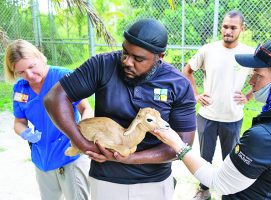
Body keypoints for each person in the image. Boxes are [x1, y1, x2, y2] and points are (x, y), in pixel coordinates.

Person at [43, 18, 197, 200]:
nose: (127, 62)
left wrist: (128, 158)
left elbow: (182, 144)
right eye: (125, 52)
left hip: (154, 181)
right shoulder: (102, 65)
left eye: (138, 59)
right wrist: (83, 144)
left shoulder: (177, 84)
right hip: (106, 179)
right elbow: (55, 98)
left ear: (160, 57)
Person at [152, 36, 271, 199]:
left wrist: (176, 143)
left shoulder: (266, 137)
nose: (251, 81)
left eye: (258, 74)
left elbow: (219, 181)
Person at [3, 39, 93, 200]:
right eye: (21, 72)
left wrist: (80, 133)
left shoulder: (63, 77)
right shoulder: (20, 89)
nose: (29, 75)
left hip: (70, 154)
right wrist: (25, 133)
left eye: (31, 67)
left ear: (40, 57)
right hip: (42, 158)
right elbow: (19, 122)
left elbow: (86, 109)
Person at [183, 10, 254, 199]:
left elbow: (262, 77)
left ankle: (228, 193)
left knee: (230, 160)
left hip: (233, 117)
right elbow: (187, 70)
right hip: (207, 116)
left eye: (233, 27)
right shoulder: (208, 50)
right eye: (225, 26)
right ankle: (204, 190)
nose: (228, 31)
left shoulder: (248, 53)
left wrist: (248, 96)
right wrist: (196, 94)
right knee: (204, 157)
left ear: (242, 29)